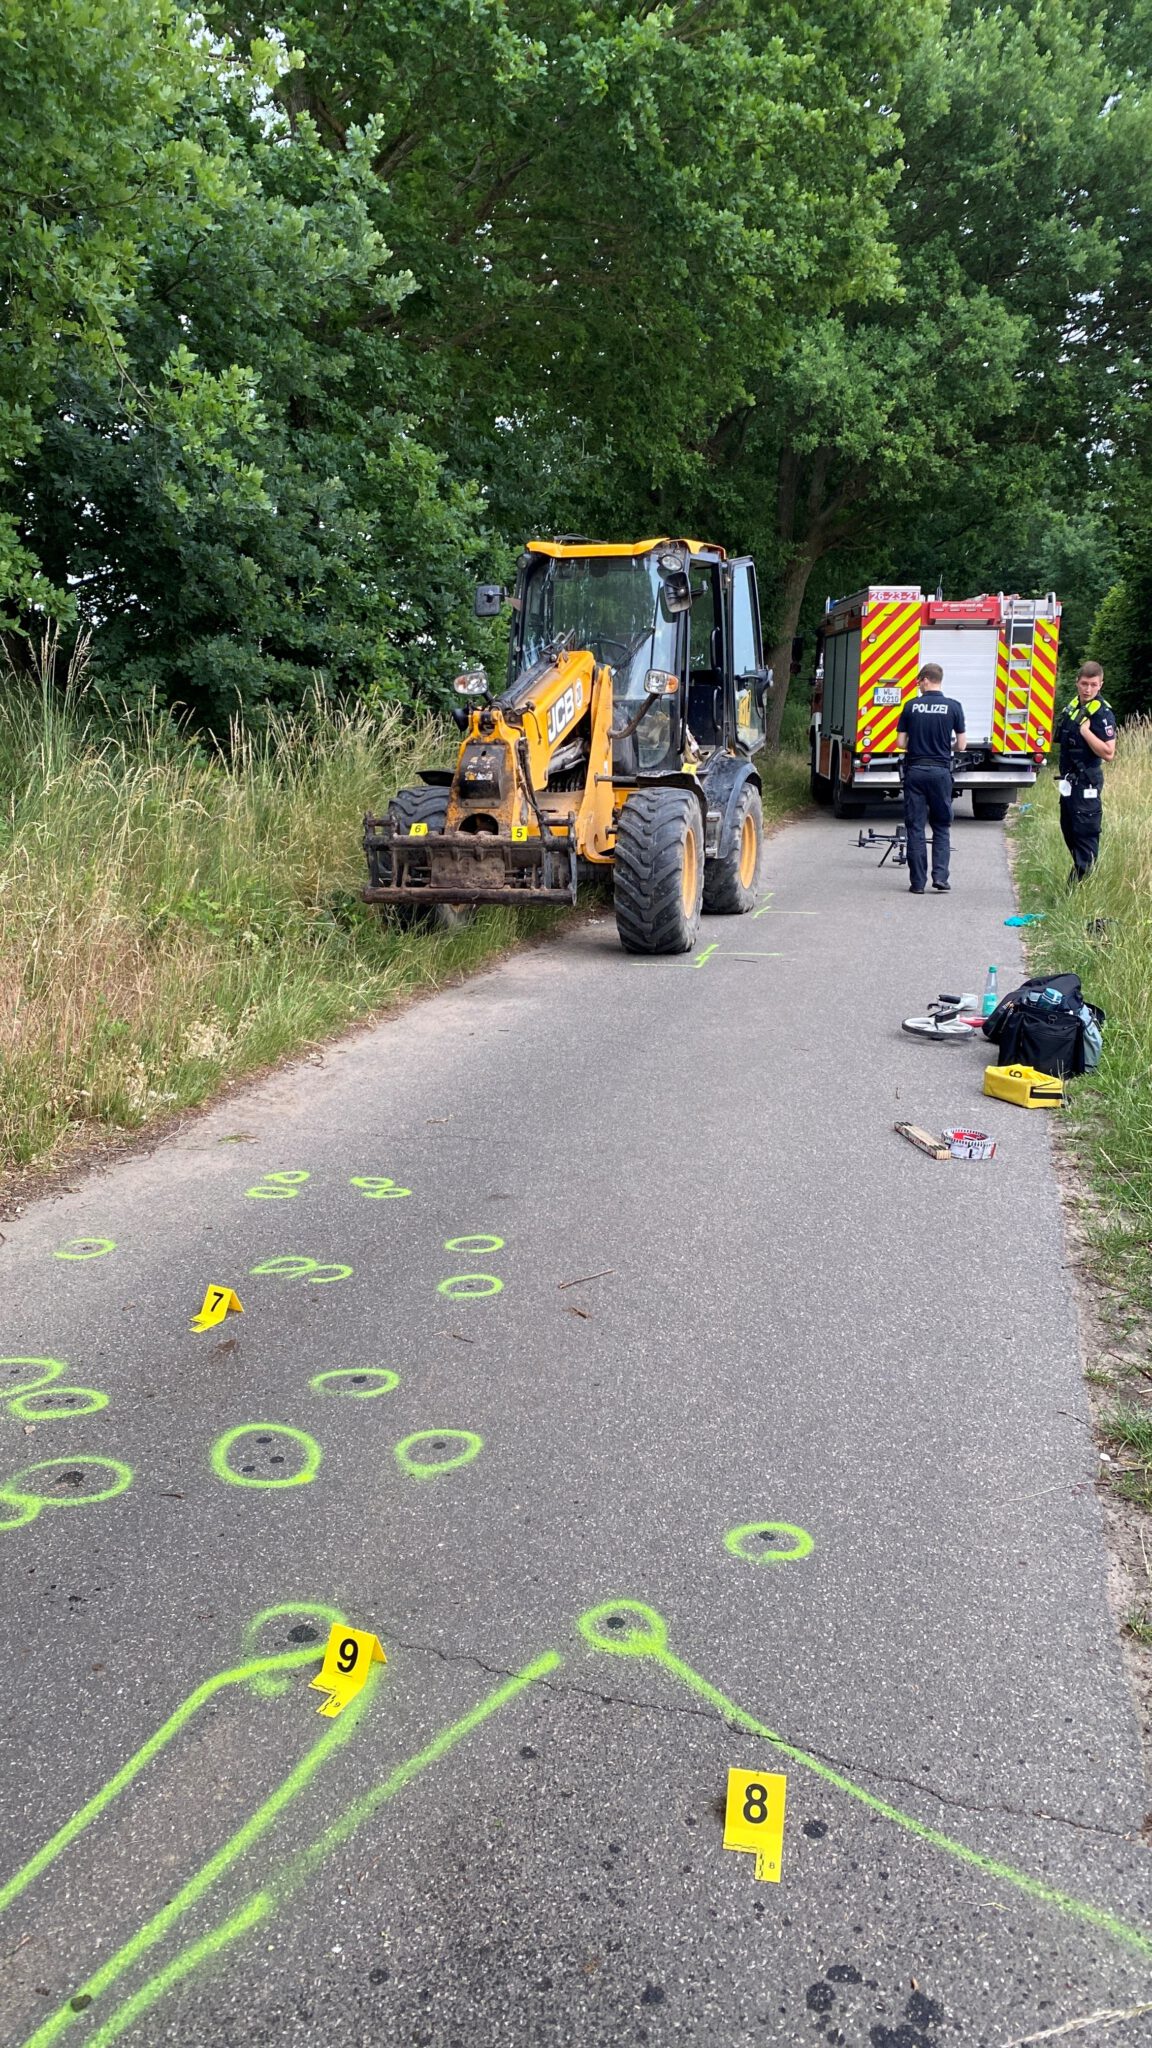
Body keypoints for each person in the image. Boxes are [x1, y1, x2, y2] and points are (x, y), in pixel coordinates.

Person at [895, 663, 967, 894]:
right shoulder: (954, 707)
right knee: (941, 826)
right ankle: (940, 877)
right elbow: (962, 745)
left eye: (918, 681)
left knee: (915, 827)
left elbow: (900, 743)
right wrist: (946, 746)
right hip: (940, 772)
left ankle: (917, 883)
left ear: (926, 679)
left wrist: (917, 743)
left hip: (915, 771)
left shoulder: (911, 707)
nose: (918, 685)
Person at [1054, 661, 1117, 882]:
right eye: (1084, 684)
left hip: (1087, 782)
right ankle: (1078, 881)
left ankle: (1079, 887)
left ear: (1100, 685)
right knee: (1069, 830)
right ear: (1077, 683)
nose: (1088, 689)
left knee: (1085, 834)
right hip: (1069, 783)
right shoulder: (1072, 708)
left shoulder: (1102, 714)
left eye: (1093, 684)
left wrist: (1086, 732)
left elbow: (1109, 753)